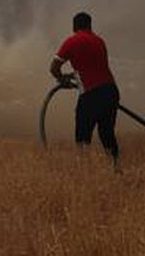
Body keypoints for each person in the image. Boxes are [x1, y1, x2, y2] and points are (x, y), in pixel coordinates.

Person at [50, 12, 120, 166]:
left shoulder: (72, 41)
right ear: (90, 25)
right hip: (110, 90)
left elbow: (54, 67)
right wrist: (72, 76)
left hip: (91, 93)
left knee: (82, 134)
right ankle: (116, 167)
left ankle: (83, 170)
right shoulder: (100, 41)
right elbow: (92, 66)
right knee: (107, 133)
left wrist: (62, 79)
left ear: (74, 26)